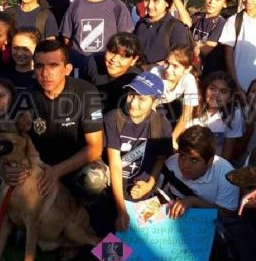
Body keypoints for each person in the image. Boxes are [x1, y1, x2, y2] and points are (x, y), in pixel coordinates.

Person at [0, 40, 109, 233]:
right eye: (40, 66)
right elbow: (10, 141)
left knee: (94, 180)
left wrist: (57, 172)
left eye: (53, 65)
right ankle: (41, 232)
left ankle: (106, 247)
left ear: (67, 69)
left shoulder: (86, 92)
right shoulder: (25, 98)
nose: (45, 73)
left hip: (77, 164)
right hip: (40, 168)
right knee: (14, 178)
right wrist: (7, 169)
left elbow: (95, 148)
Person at [104, 71, 173, 231]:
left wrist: (150, 184)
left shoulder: (162, 125)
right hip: (114, 183)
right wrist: (121, 209)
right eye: (131, 95)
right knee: (108, 228)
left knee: (143, 231)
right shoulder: (113, 118)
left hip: (140, 188)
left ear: (154, 102)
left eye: (141, 98)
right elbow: (114, 163)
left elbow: (161, 158)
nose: (133, 103)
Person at [59, 0, 134, 73]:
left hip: (105, 71)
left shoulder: (117, 6)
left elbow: (125, 41)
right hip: (79, 70)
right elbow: (67, 39)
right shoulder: (75, 5)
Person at [186, 71, 244, 163]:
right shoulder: (192, 107)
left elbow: (228, 149)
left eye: (223, 91)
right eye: (212, 88)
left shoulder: (234, 113)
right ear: (204, 90)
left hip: (215, 164)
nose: (216, 94)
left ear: (230, 98)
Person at [133, 0, 192, 65]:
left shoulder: (176, 28)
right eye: (147, 0)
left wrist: (151, 68)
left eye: (155, 1)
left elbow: (179, 60)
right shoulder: (141, 23)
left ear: (167, 3)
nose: (150, 5)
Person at [149, 44, 199, 143]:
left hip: (172, 109)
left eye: (175, 66)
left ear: (187, 69)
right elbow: (150, 105)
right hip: (153, 107)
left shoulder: (189, 79)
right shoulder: (155, 73)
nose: (168, 69)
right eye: (167, 63)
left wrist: (173, 139)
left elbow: (187, 113)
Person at [83, 32, 142, 114]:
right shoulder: (92, 62)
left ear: (134, 60)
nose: (114, 59)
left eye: (123, 56)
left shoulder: (136, 80)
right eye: (112, 52)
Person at [190, 0, 232, 76]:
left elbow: (205, 50)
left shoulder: (222, 23)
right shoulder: (197, 17)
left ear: (225, 4)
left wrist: (192, 45)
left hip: (210, 75)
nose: (211, 1)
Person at [4, 27, 39, 91]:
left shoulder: (42, 77)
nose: (19, 53)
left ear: (36, 48)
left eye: (25, 49)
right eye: (15, 48)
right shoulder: (3, 76)